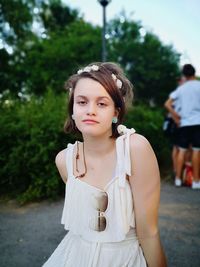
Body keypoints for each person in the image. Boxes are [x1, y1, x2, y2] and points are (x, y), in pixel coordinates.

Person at [42, 62, 167, 267]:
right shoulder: (64, 159)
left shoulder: (135, 149)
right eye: (82, 102)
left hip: (124, 259)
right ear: (72, 109)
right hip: (74, 257)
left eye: (102, 103)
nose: (90, 110)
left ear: (116, 112)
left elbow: (149, 232)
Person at [164, 64, 200, 189]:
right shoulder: (199, 86)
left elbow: (167, 104)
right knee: (196, 151)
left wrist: (176, 117)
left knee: (182, 151)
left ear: (184, 75)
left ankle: (178, 179)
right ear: (194, 73)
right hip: (197, 122)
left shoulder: (182, 89)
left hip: (184, 123)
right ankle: (196, 181)